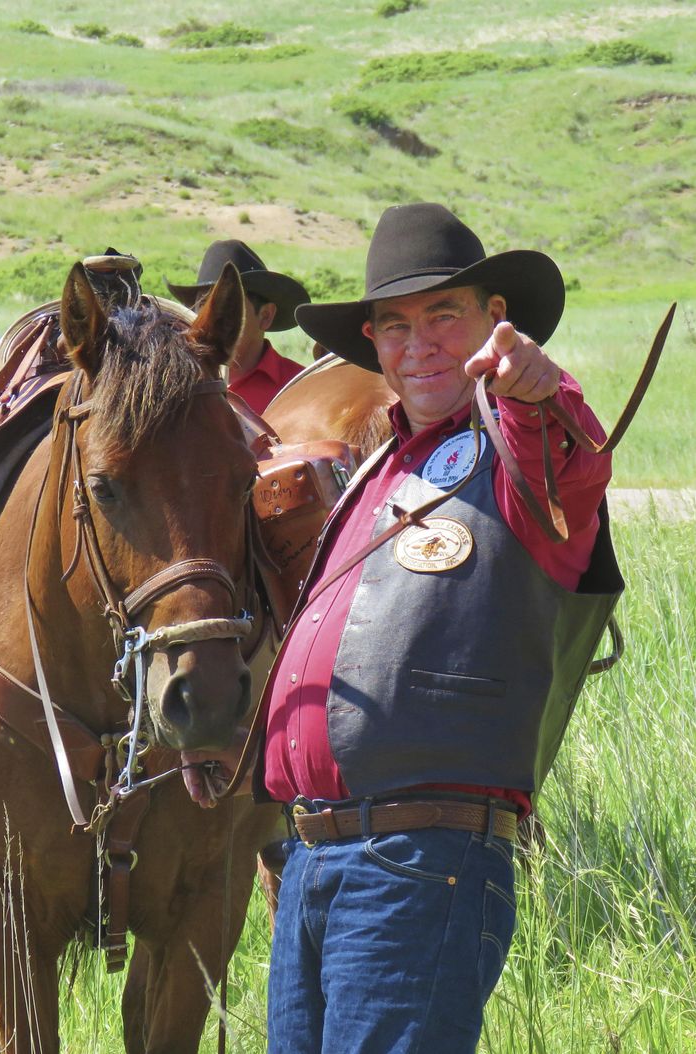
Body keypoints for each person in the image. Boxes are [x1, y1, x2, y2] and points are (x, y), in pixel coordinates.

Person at [184, 204, 622, 1053]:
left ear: (497, 321)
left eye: (443, 316)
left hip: (421, 860)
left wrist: (538, 384)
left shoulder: (517, 442)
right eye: (394, 323)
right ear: (373, 344)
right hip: (312, 858)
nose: (416, 343)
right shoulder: (377, 467)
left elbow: (565, 461)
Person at [166, 239, 310, 414]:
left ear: (266, 316)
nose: (212, 316)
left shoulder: (304, 387)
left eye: (230, 304)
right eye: (203, 304)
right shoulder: (173, 386)